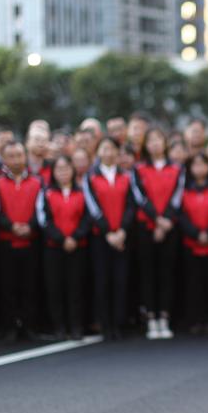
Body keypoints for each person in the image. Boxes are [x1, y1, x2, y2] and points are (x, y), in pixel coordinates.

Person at [131, 127, 183, 340]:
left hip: (169, 227)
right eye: (150, 140)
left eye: (158, 139)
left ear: (165, 142)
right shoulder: (139, 168)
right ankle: (151, 318)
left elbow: (177, 197)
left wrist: (165, 221)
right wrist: (156, 220)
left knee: (167, 272)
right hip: (146, 228)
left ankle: (164, 317)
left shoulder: (177, 168)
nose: (154, 144)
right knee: (148, 272)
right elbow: (140, 197)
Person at [83, 137, 135, 341]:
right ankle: (105, 324)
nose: (109, 152)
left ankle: (119, 323)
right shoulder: (91, 177)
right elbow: (93, 208)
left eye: (112, 149)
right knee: (102, 280)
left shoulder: (126, 176)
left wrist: (122, 230)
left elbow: (130, 205)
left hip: (122, 236)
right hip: (101, 237)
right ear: (98, 152)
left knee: (121, 280)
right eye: (104, 149)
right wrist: (108, 232)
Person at [37, 155, 91, 341]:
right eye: (59, 169)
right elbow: (44, 220)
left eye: (66, 168)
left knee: (76, 288)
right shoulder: (46, 193)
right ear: (53, 172)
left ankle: (76, 326)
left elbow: (87, 218)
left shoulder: (82, 192)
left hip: (77, 247)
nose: (63, 172)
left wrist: (75, 237)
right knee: (55, 288)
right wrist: (61, 239)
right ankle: (59, 327)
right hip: (54, 248)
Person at [0, 141, 43, 341]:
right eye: (11, 156)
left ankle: (29, 326)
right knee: (7, 287)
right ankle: (10, 327)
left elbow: (41, 210)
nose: (16, 160)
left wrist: (30, 226)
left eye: (19, 155)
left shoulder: (37, 182)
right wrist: (12, 226)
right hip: (6, 242)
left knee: (30, 287)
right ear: (4, 159)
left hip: (31, 241)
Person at [178, 152, 208, 334]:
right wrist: (196, 233)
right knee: (193, 282)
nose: (199, 168)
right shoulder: (184, 191)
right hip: (192, 242)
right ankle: (196, 319)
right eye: (195, 165)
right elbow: (181, 215)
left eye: (203, 164)